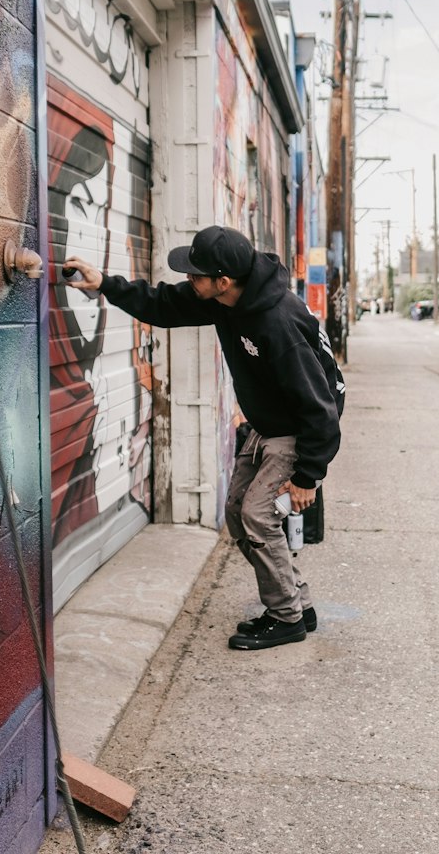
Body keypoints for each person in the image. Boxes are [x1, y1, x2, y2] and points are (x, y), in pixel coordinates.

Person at [63, 224, 345, 651]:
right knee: (237, 513)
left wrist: (307, 476)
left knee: (258, 516)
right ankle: (296, 602)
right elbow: (162, 305)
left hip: (297, 432)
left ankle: (286, 617)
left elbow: (320, 407)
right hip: (268, 427)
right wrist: (105, 284)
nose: (188, 281)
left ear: (223, 281)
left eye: (196, 275)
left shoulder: (276, 321)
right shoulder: (226, 302)